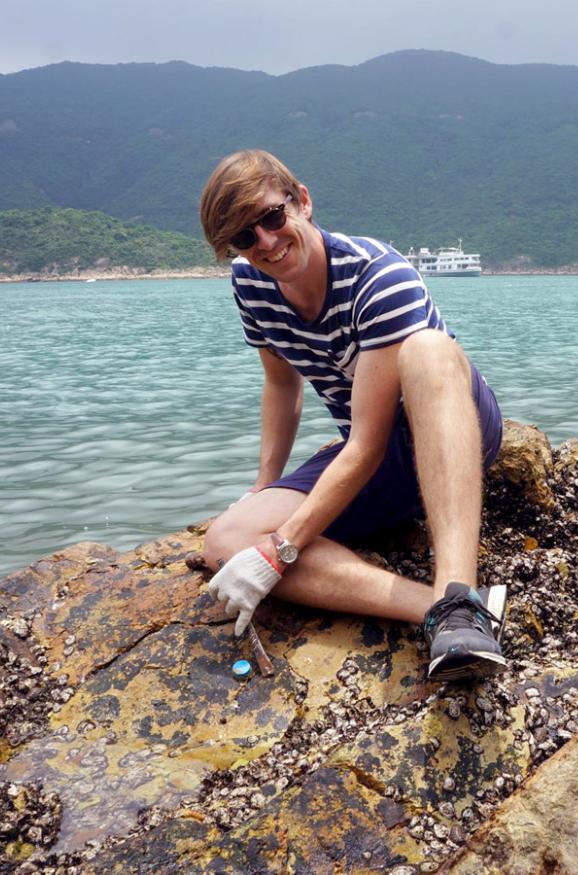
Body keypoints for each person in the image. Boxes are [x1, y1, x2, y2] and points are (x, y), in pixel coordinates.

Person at [195, 150, 506, 681]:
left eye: (273, 217)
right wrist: (263, 488)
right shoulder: (250, 283)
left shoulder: (376, 276)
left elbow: (364, 446)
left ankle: (458, 587)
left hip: (446, 426)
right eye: (245, 238)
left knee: (427, 349)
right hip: (376, 457)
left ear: (303, 202)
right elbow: (280, 381)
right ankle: (446, 610)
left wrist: (280, 548)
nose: (266, 242)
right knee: (224, 541)